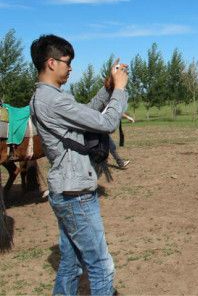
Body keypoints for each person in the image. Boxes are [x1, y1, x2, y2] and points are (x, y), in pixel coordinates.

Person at [29, 34, 128, 295]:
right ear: (51, 63)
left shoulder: (47, 98)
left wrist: (106, 89)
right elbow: (105, 123)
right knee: (102, 267)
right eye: (67, 62)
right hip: (76, 195)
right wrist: (119, 90)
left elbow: (84, 114)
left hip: (65, 189)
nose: (70, 67)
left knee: (71, 265)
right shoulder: (52, 100)